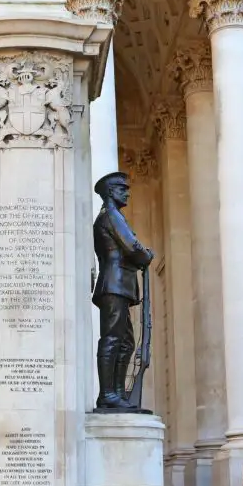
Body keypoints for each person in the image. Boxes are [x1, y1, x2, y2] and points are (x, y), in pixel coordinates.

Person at [92, 171, 154, 410]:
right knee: (113, 338)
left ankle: (117, 393)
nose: (127, 192)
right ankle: (108, 393)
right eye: (122, 188)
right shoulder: (111, 216)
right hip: (114, 285)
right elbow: (132, 246)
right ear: (110, 192)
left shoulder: (113, 215)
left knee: (126, 341)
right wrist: (146, 255)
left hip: (121, 286)